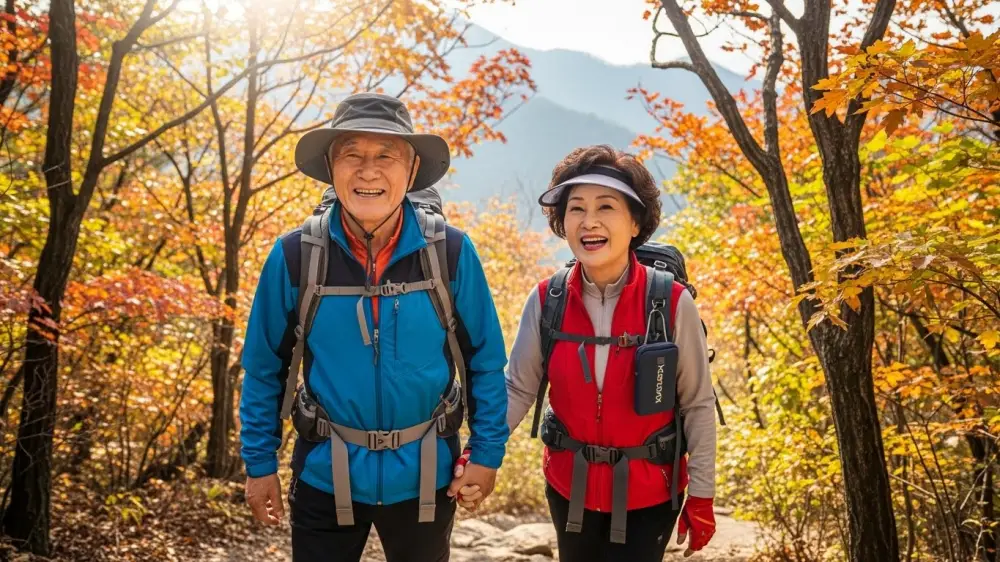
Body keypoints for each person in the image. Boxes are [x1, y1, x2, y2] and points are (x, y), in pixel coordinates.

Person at [237, 92, 509, 562]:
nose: (368, 170)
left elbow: (485, 361)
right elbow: (265, 368)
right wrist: (260, 465)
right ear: (330, 165)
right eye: (352, 154)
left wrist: (487, 454)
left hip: (427, 475)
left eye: (386, 155)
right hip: (324, 473)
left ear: (411, 169)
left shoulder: (449, 253)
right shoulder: (296, 257)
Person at [496, 144, 718, 560]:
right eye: (576, 208)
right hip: (568, 484)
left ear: (635, 222)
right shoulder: (548, 299)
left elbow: (698, 404)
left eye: (606, 207)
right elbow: (518, 388)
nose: (589, 221)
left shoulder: (670, 302)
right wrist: (482, 454)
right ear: (562, 222)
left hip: (652, 491)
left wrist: (702, 495)